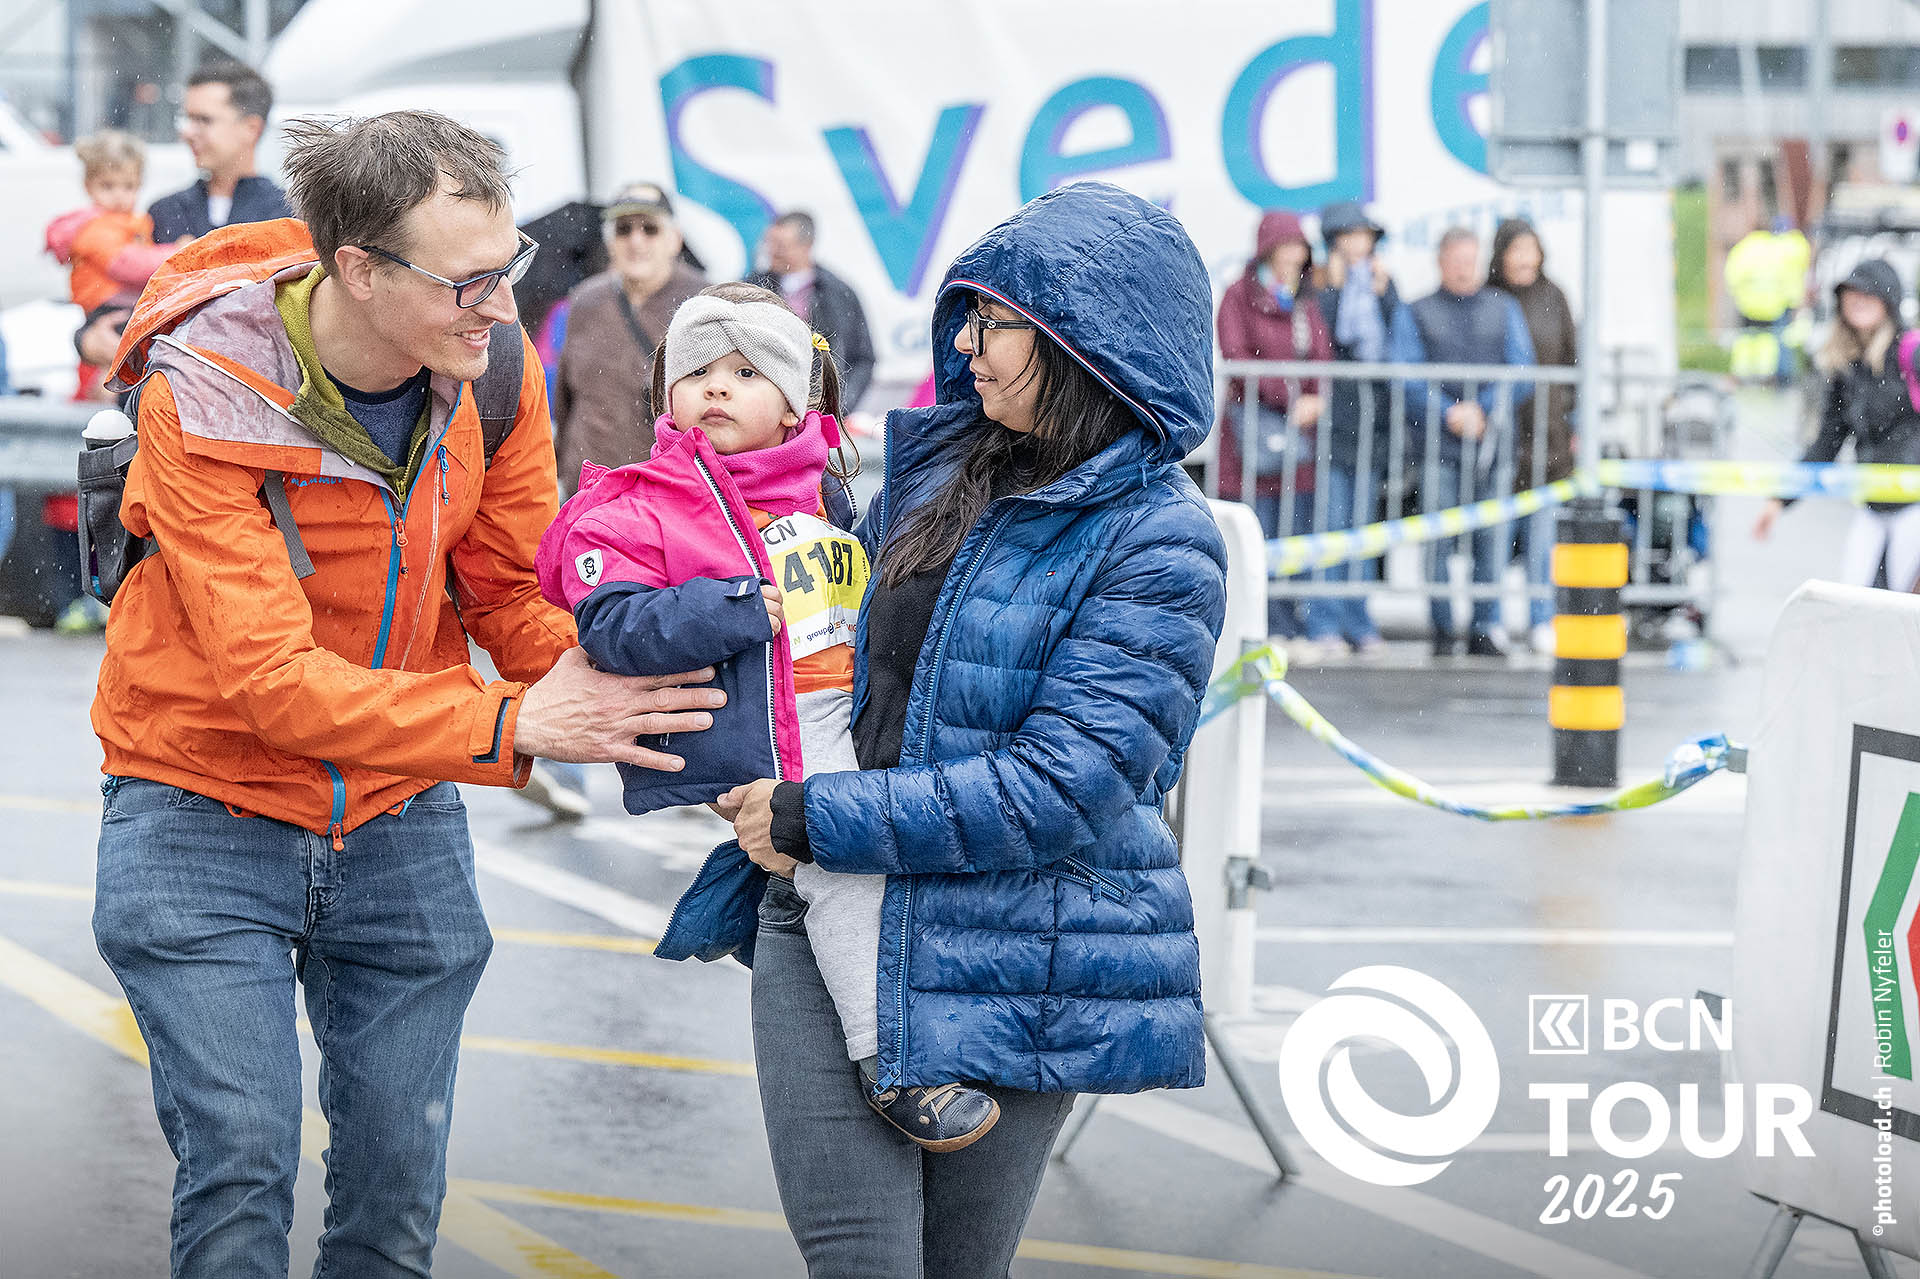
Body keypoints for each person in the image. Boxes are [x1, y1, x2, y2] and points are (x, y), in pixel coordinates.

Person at [88, 110, 724, 1279]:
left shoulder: (494, 371)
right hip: (197, 803)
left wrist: (663, 703)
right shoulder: (203, 395)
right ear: (359, 269)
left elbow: (511, 593)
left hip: (397, 810)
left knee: (396, 1184)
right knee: (241, 1161)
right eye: (467, 282)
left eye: (509, 266)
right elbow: (274, 684)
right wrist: (513, 722)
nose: (500, 304)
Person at [721, 181, 1227, 1276]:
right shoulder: (942, 468)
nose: (964, 344)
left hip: (1021, 946)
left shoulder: (1162, 540)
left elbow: (1062, 787)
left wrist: (815, 814)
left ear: (1088, 342)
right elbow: (825, 653)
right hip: (834, 911)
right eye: (968, 316)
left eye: (993, 321)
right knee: (861, 1258)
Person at [1388, 226, 1536, 657]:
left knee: (1493, 542)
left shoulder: (1503, 307)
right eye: (1456, 260)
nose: (1464, 269)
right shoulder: (1417, 311)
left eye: (1470, 260)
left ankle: (1484, 627)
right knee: (1438, 540)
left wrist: (1481, 410)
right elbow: (1406, 374)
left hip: (1493, 447)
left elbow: (1522, 368)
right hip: (1437, 448)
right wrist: (1448, 413)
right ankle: (1442, 627)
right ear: (1440, 262)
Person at [1754, 259, 1920, 590]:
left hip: (1914, 508)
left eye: (1868, 294)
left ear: (1888, 301)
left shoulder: (1911, 354)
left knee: (1906, 607)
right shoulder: (1847, 369)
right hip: (1873, 507)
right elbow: (1826, 443)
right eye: (1850, 294)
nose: (1856, 301)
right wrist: (1780, 499)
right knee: (1853, 597)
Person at [1215, 210, 1332, 644]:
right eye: (1286, 247)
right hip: (1251, 437)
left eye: (1299, 248)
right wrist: (1291, 396)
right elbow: (1237, 355)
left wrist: (1316, 396)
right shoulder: (1238, 296)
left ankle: (1286, 623)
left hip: (1297, 439)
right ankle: (1253, 626)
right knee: (1253, 534)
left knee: (1292, 533)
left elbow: (1321, 355)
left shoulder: (1304, 299)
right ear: (1267, 250)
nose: (1293, 256)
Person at [551, 181, 707, 495]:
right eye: (623, 229)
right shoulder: (586, 300)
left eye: (650, 229)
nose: (636, 241)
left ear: (674, 239)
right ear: (609, 242)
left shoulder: (704, 302)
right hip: (587, 491)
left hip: (667, 491)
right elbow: (566, 400)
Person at [1488, 217, 1578, 654]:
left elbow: (1572, 361)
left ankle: (1542, 617)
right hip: (1503, 435)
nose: (1524, 259)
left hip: (1549, 435)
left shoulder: (1553, 297)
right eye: (1516, 250)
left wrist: (1571, 420)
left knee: (1544, 539)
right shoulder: (1490, 298)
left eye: (1531, 250)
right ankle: (1492, 620)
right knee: (1495, 536)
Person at [1313, 199, 1397, 658]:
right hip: (1331, 425)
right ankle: (1324, 621)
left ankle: (1358, 620)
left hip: (1370, 426)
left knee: (1362, 529)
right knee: (1330, 526)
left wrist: (1382, 294)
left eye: (1364, 236)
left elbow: (1392, 346)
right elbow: (1320, 342)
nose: (1359, 245)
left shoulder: (1384, 285)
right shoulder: (1319, 284)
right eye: (1351, 236)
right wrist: (1332, 291)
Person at [148, 62, 291, 242]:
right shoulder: (165, 213)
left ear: (251, 128)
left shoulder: (287, 217)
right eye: (188, 119)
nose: (187, 132)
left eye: (204, 120)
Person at [749, 210, 877, 411]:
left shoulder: (838, 293)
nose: (772, 251)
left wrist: (838, 405)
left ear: (806, 246)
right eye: (769, 243)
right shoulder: (752, 288)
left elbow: (862, 358)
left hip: (822, 408)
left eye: (781, 245)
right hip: (764, 407)